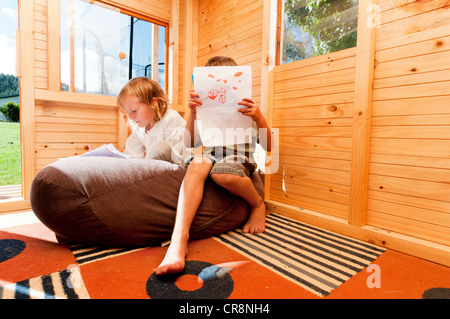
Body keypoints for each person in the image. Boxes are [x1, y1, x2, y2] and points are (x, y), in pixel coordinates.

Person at [156, 56, 273, 276]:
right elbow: (190, 144)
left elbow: (269, 146)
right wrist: (192, 113)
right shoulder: (205, 113)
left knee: (222, 175)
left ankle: (257, 204)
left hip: (238, 157)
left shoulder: (246, 111)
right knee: (197, 164)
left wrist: (259, 118)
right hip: (210, 154)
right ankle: (178, 241)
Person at [117, 77, 187, 164]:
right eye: (128, 112)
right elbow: (132, 154)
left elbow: (177, 158)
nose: (131, 117)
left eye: (134, 111)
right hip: (155, 168)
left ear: (153, 103)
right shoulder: (139, 127)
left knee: (158, 148)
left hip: (178, 168)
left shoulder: (171, 118)